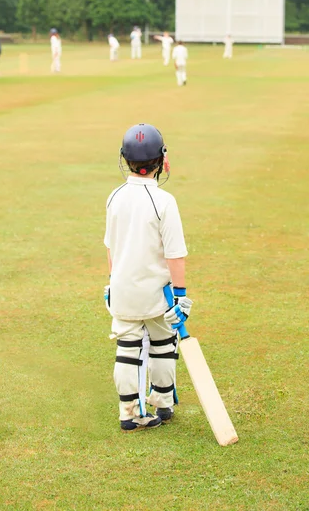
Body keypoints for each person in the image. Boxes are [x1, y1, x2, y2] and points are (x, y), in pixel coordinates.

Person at [104, 123, 193, 431]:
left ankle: (128, 412)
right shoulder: (164, 202)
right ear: (161, 160)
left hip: (123, 290)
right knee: (163, 344)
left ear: (124, 158)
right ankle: (162, 404)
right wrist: (180, 295)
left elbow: (110, 246)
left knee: (128, 350)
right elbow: (175, 254)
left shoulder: (114, 196)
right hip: (157, 294)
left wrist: (111, 283)